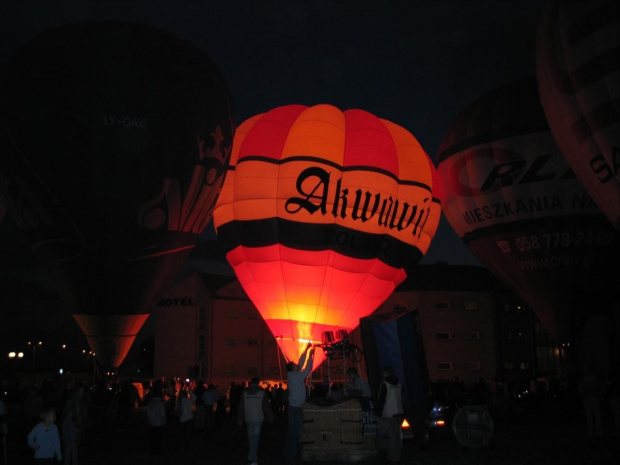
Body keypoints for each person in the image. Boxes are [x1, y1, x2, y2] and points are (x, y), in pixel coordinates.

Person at [282, 342, 315, 465]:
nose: (297, 365)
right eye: (296, 365)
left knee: (293, 431)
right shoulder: (296, 377)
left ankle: (290, 454)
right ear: (293, 369)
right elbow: (306, 369)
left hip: (294, 408)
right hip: (295, 409)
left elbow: (301, 363)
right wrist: (311, 356)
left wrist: (306, 350)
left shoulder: (293, 376)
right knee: (295, 432)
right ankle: (290, 455)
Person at [237, 377, 274, 465]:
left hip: (248, 418)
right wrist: (270, 417)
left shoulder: (245, 394)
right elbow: (266, 406)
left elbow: (241, 407)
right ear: (258, 383)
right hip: (258, 418)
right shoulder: (261, 393)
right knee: (256, 437)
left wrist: (239, 419)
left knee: (251, 438)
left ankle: (252, 455)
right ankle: (252, 457)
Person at [377, 366, 404, 464]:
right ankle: (393, 456)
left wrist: (379, 413)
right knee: (396, 435)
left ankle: (394, 458)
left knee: (391, 436)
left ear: (385, 373)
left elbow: (381, 399)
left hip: (389, 412)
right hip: (399, 412)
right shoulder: (399, 383)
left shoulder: (385, 384)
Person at [61, 384, 87, 465]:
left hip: (75, 426)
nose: (82, 393)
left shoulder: (79, 401)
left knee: (74, 447)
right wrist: (79, 425)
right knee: (70, 448)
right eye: (80, 391)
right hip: (73, 427)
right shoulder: (74, 402)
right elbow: (76, 415)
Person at [579, 365, 603, 440]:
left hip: (587, 398)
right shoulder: (596, 379)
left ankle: (591, 432)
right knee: (597, 415)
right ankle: (599, 432)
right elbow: (601, 388)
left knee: (589, 416)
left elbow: (580, 389)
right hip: (595, 398)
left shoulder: (584, 379)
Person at [146, 382, 167, 459]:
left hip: (152, 423)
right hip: (159, 423)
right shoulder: (160, 404)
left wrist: (149, 419)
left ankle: (153, 451)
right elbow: (162, 414)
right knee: (158, 438)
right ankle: (157, 451)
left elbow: (148, 412)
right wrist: (164, 420)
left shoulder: (151, 403)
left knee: (153, 438)